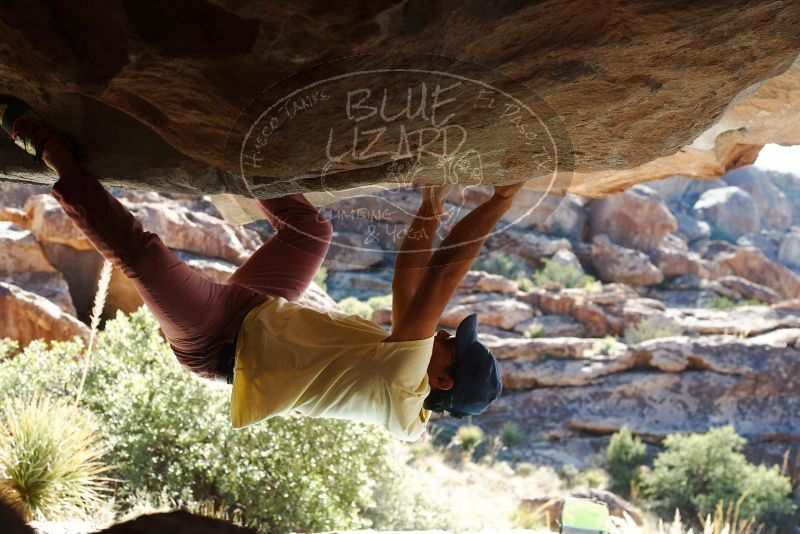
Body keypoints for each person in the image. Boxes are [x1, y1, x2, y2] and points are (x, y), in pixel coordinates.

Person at [1, 95, 526, 441]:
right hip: (258, 308)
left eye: (452, 344)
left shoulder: (401, 385)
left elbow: (441, 277)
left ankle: (51, 151)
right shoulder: (410, 368)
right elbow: (411, 272)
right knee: (311, 230)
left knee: (143, 256)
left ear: (441, 377)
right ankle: (218, 156)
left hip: (216, 341)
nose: (445, 331)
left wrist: (500, 201)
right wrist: (432, 201)